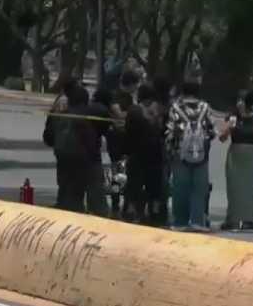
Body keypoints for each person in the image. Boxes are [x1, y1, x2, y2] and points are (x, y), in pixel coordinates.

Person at [47, 84, 109, 216]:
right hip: (87, 162)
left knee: (68, 197)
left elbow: (48, 137)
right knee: (95, 198)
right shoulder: (90, 116)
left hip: (64, 160)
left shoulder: (59, 116)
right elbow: (94, 138)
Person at [165, 81, 216, 231]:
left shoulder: (176, 108)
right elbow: (212, 131)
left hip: (180, 153)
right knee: (199, 188)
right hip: (201, 154)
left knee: (180, 187)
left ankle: (180, 221)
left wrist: (170, 150)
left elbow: (170, 131)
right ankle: (197, 221)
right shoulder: (205, 108)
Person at [220, 91, 253, 231]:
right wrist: (229, 128)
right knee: (234, 189)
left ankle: (249, 220)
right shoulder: (232, 117)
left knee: (251, 189)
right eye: (238, 100)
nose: (239, 103)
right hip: (235, 156)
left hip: (252, 156)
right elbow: (222, 138)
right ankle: (232, 219)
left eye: (242, 100)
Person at [124, 84, 166, 225]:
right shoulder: (158, 111)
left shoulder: (134, 111)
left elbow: (128, 132)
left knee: (133, 185)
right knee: (154, 188)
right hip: (155, 155)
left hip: (136, 154)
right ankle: (154, 213)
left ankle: (132, 212)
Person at [105, 69, 139, 217]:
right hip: (118, 139)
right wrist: (132, 113)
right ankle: (116, 202)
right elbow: (117, 114)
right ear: (131, 84)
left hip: (123, 138)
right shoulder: (116, 97)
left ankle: (123, 203)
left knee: (121, 173)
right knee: (118, 173)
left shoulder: (128, 98)